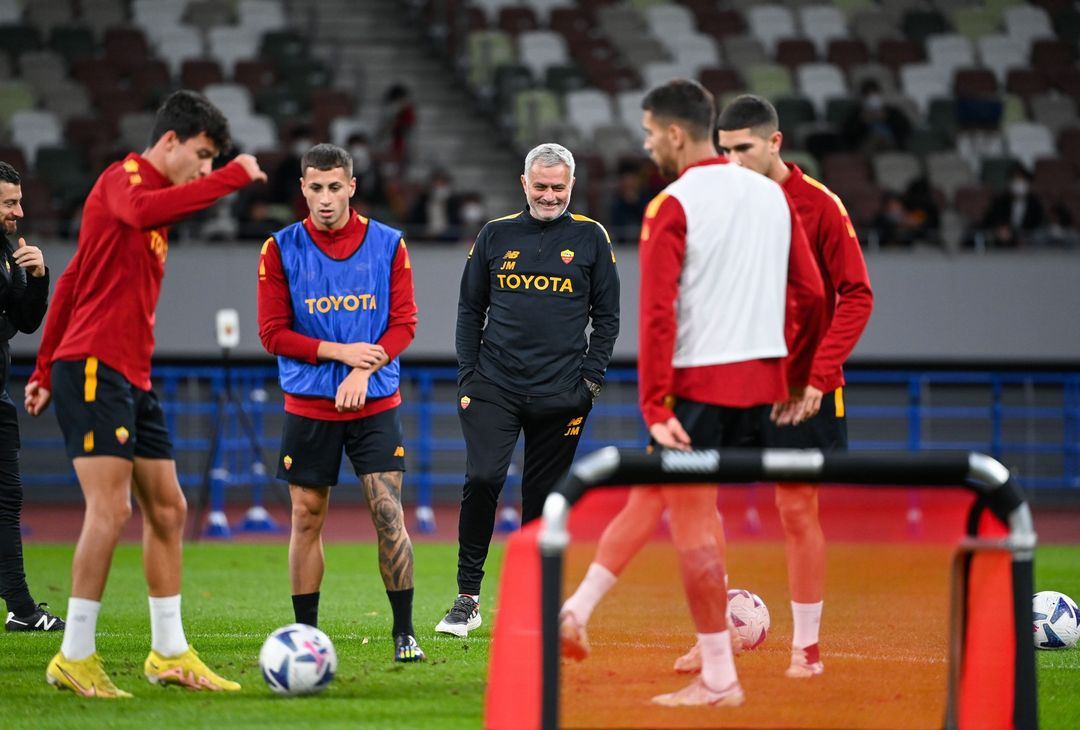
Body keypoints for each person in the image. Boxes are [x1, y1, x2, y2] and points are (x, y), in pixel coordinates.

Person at [564, 79, 825, 708]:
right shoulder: (773, 196)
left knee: (693, 524)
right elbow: (813, 294)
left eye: (651, 132)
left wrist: (654, 406)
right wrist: (794, 377)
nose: (648, 143)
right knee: (662, 492)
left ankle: (718, 677)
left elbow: (657, 316)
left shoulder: (672, 204)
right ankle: (577, 609)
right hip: (765, 389)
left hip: (699, 387)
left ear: (675, 134)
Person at [24, 90, 266, 698]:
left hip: (131, 375)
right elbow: (140, 214)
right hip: (95, 368)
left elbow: (75, 277)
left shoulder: (143, 206)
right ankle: (74, 655)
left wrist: (40, 365)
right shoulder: (124, 181)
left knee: (170, 509)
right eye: (202, 155)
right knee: (111, 511)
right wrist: (233, 179)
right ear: (169, 142)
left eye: (215, 162)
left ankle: (168, 651)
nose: (205, 170)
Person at [435, 142, 620, 638]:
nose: (549, 195)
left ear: (571, 186)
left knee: (544, 499)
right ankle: (467, 598)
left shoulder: (592, 239)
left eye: (558, 186)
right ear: (524, 184)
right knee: (483, 479)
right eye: (540, 186)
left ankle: (533, 601)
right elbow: (469, 310)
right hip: (492, 384)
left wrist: (590, 384)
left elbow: (607, 319)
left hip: (562, 393)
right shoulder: (495, 235)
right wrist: (468, 375)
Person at [257, 143, 425, 663]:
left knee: (387, 513)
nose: (325, 198)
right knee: (306, 518)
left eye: (335, 187)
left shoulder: (389, 244)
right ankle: (306, 636)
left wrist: (361, 368)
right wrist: (339, 353)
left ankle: (404, 632)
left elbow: (404, 325)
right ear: (302, 189)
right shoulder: (279, 249)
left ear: (352, 186)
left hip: (374, 401)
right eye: (315, 187)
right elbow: (272, 334)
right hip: (309, 405)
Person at [0, 162, 63, 633]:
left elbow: (25, 322)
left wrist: (39, 276)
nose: (19, 211)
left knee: (8, 497)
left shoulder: (8, 251)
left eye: (18, 201)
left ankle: (21, 609)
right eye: (9, 203)